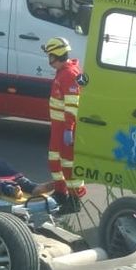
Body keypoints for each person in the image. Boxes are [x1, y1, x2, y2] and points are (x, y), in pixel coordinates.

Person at [41, 36, 85, 214]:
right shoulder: (63, 72)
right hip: (58, 128)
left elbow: (72, 105)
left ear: (57, 55)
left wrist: (69, 128)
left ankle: (74, 200)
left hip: (66, 129)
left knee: (68, 164)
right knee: (55, 160)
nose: (48, 59)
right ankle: (61, 192)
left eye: (50, 55)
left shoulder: (69, 74)